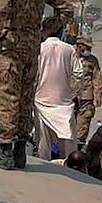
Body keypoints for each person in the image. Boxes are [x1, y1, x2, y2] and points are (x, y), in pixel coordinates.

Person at [0, 0, 74, 169]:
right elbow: (67, 9)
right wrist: (47, 29)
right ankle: (20, 152)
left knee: (7, 95)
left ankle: (5, 151)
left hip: (12, 45)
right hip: (32, 46)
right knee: (26, 96)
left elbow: (0, 9)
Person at [33, 17, 75, 160]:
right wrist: (71, 92)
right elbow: (78, 74)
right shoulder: (69, 50)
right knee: (68, 143)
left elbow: (33, 74)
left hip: (41, 102)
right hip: (64, 104)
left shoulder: (39, 49)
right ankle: (70, 169)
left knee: (43, 144)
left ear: (44, 31)